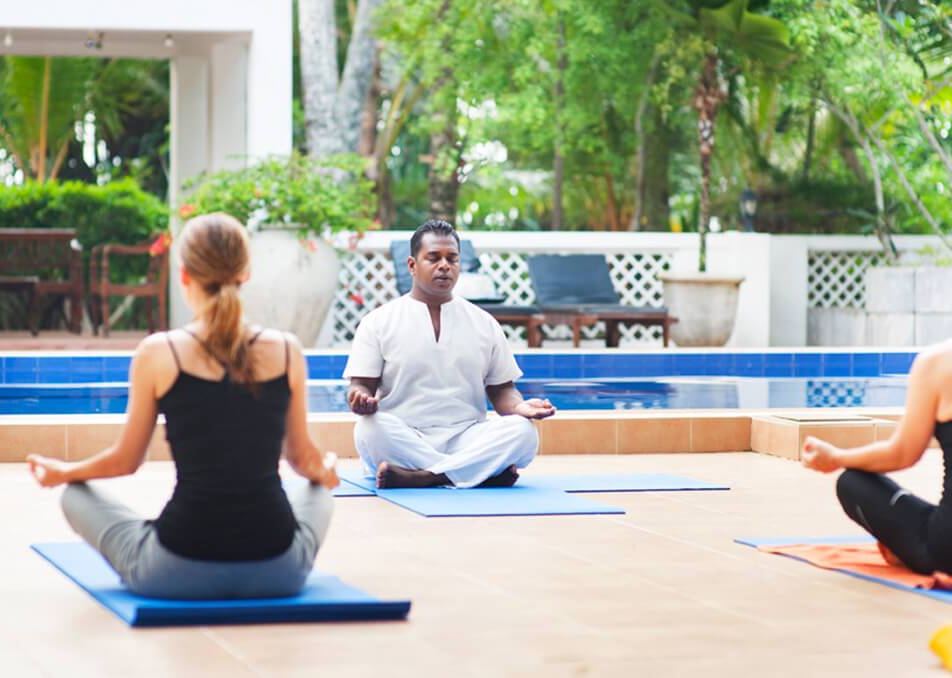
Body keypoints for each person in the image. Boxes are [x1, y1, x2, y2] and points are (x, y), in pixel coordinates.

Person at [27, 213, 339, 599]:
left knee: (73, 495)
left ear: (184, 276)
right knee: (318, 492)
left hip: (174, 571)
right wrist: (326, 470)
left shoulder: (159, 353)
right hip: (278, 571)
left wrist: (65, 472)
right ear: (245, 274)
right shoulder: (287, 351)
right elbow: (303, 461)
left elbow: (125, 461)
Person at [802, 234, 952, 577]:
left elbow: (902, 453)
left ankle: (907, 551)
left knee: (852, 482)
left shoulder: (939, 362)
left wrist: (836, 458)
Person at [345, 220, 556, 489]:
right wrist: (359, 398)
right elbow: (361, 385)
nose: (444, 266)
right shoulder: (378, 321)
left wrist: (519, 407)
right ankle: (477, 472)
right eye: (433, 258)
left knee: (523, 431)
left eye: (452, 259)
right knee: (369, 429)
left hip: (466, 436)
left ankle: (426, 477)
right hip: (406, 435)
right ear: (412, 265)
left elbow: (502, 389)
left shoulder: (484, 322)